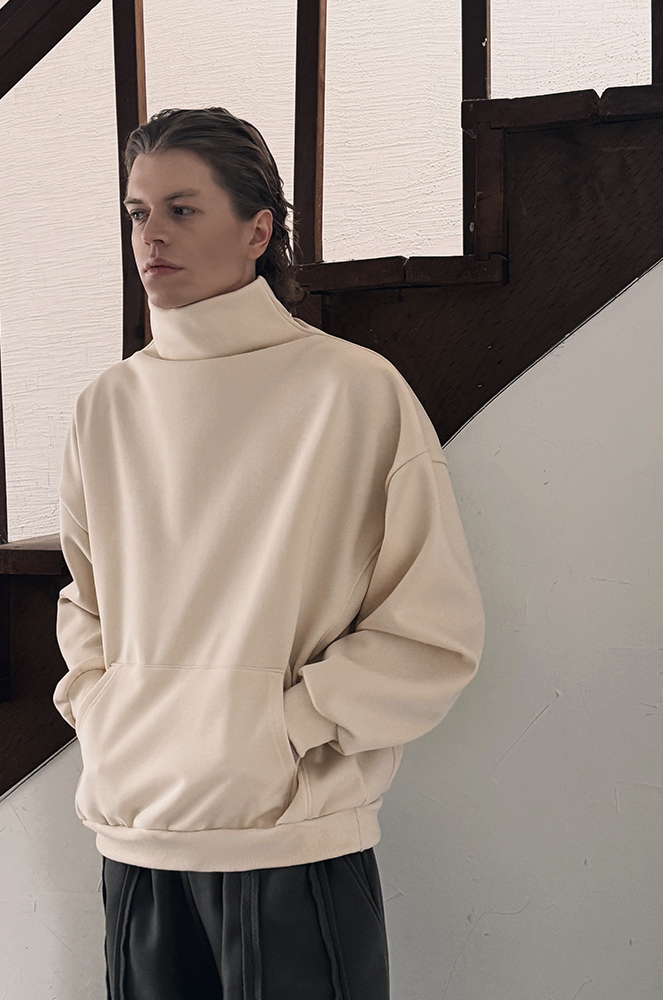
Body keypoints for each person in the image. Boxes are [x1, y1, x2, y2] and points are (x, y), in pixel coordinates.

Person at [52, 106, 485, 1000]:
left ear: (258, 231)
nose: (151, 237)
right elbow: (84, 601)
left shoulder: (350, 391)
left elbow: (431, 628)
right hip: (135, 834)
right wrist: (105, 711)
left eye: (182, 209)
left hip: (291, 838)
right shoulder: (107, 407)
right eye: (137, 213)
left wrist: (284, 726)